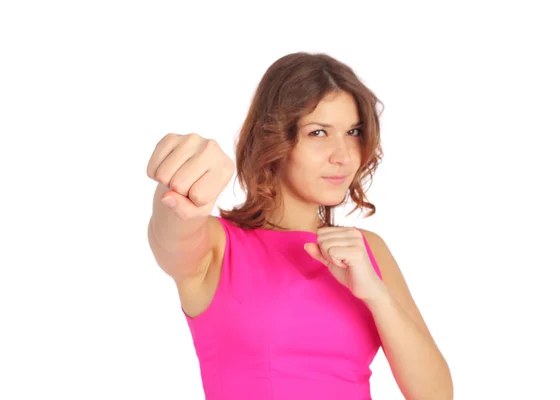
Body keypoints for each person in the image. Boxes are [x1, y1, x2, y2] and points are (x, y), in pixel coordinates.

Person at [146, 52, 453, 400]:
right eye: (318, 132)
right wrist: (179, 190)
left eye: (353, 132)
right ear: (273, 140)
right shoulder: (219, 245)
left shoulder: (367, 250)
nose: (344, 155)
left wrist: (376, 294)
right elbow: (170, 234)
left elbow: (436, 394)